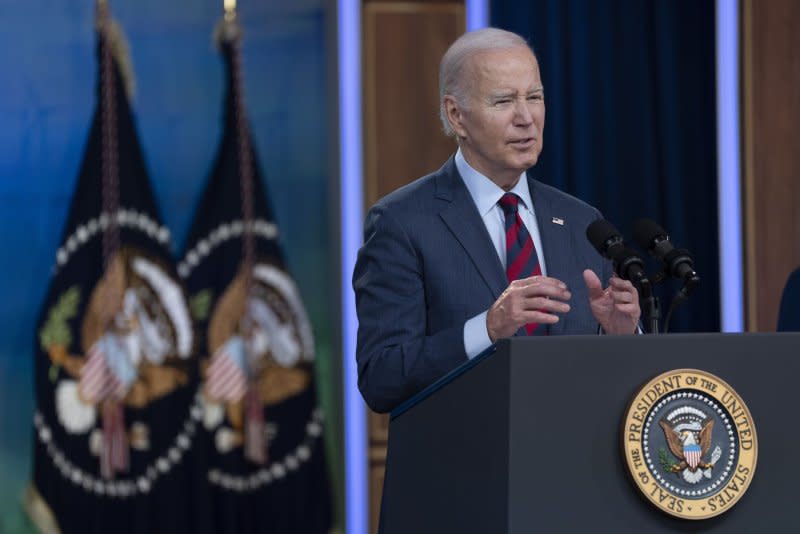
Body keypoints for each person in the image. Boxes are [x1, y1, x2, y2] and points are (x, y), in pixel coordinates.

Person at [353, 28, 641, 413]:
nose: (526, 118)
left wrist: (620, 337)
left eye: (534, 98)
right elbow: (382, 378)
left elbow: (614, 385)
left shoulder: (581, 221)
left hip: (572, 464)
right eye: (504, 101)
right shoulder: (402, 223)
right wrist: (486, 329)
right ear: (457, 116)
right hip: (466, 466)